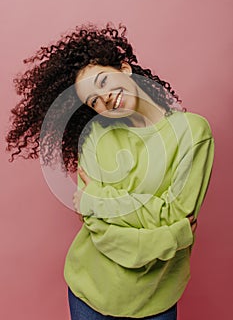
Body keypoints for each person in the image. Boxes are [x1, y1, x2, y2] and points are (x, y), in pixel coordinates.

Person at [5, 22, 215, 320]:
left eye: (103, 82)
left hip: (157, 298)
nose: (104, 98)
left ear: (125, 69)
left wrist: (95, 198)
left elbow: (177, 213)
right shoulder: (94, 139)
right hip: (89, 291)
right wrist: (173, 237)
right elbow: (100, 230)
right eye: (93, 101)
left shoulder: (193, 132)